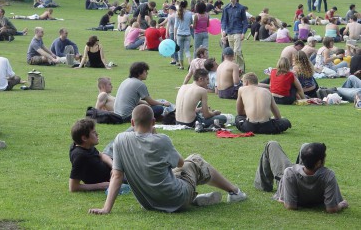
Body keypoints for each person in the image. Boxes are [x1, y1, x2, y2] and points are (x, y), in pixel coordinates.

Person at [89, 104, 247, 214]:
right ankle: (235, 192)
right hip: (177, 198)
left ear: (132, 122)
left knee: (174, 172)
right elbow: (180, 163)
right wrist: (156, 136)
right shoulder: (161, 140)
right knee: (195, 160)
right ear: (153, 122)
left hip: (149, 203)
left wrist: (106, 208)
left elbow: (116, 176)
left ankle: (195, 199)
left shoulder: (120, 139)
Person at [254, 141, 348, 213]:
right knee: (306, 146)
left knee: (271, 144)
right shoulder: (328, 175)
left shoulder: (289, 173)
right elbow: (331, 208)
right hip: (300, 176)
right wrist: (342, 204)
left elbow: (290, 206)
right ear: (319, 162)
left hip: (291, 180)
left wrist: (282, 198)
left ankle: (263, 185)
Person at [69, 118, 112, 192]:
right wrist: (101, 185)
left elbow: (101, 155)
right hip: (112, 177)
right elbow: (73, 187)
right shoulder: (80, 156)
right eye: (93, 133)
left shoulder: (84, 145)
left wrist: (114, 166)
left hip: (112, 166)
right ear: (84, 138)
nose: (97, 134)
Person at [221, 0, 248, 72]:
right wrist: (224, 30)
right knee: (232, 52)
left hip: (238, 31)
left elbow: (245, 21)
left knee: (237, 51)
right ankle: (234, 68)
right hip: (229, 32)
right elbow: (224, 20)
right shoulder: (226, 8)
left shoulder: (241, 8)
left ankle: (241, 68)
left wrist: (243, 32)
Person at [174, 0, 193, 70]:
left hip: (179, 34)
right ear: (186, 5)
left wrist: (174, 36)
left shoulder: (177, 13)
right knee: (187, 50)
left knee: (180, 51)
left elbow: (175, 26)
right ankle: (190, 64)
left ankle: (181, 66)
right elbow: (191, 22)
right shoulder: (189, 13)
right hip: (187, 34)